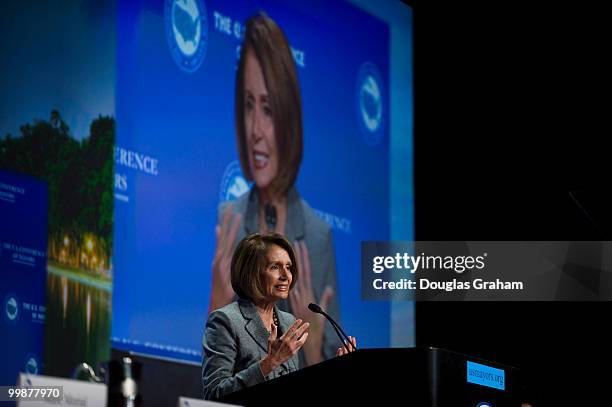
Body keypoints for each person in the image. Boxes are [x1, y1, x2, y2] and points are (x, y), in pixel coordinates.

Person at [208, 13, 342, 367]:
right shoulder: (230, 217)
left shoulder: (318, 236)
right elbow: (215, 386)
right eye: (249, 105)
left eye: (267, 108)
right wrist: (216, 305)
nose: (255, 129)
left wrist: (319, 353)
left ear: (287, 116)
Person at [202, 233, 356, 400]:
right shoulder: (226, 320)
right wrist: (270, 363)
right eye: (275, 266)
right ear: (252, 272)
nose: (286, 275)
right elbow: (214, 394)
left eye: (289, 267)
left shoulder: (288, 321)